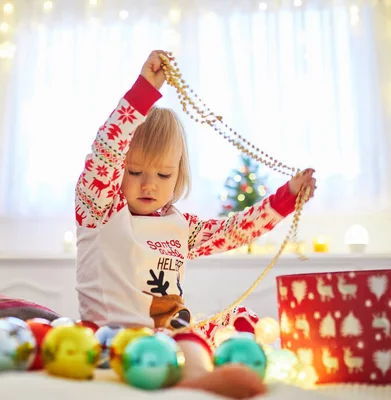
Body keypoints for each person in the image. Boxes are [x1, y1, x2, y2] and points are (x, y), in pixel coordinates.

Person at [75, 50, 316, 398]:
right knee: (184, 341)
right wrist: (143, 90)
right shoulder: (100, 210)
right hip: (117, 339)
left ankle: (210, 367)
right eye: (135, 172)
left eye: (163, 174)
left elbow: (235, 231)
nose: (149, 184)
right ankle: (196, 379)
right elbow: (106, 150)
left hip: (171, 332)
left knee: (241, 321)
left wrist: (287, 196)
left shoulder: (180, 226)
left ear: (178, 176)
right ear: (117, 171)